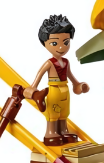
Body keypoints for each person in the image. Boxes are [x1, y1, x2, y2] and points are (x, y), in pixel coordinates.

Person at [27, 14, 90, 146]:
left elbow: (71, 77)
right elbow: (39, 75)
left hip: (65, 90)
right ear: (45, 43)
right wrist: (33, 88)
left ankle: (63, 131)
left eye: (66, 42)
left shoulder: (66, 62)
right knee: (53, 112)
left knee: (64, 112)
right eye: (55, 43)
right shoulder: (49, 63)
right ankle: (50, 133)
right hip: (54, 90)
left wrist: (79, 85)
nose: (61, 47)